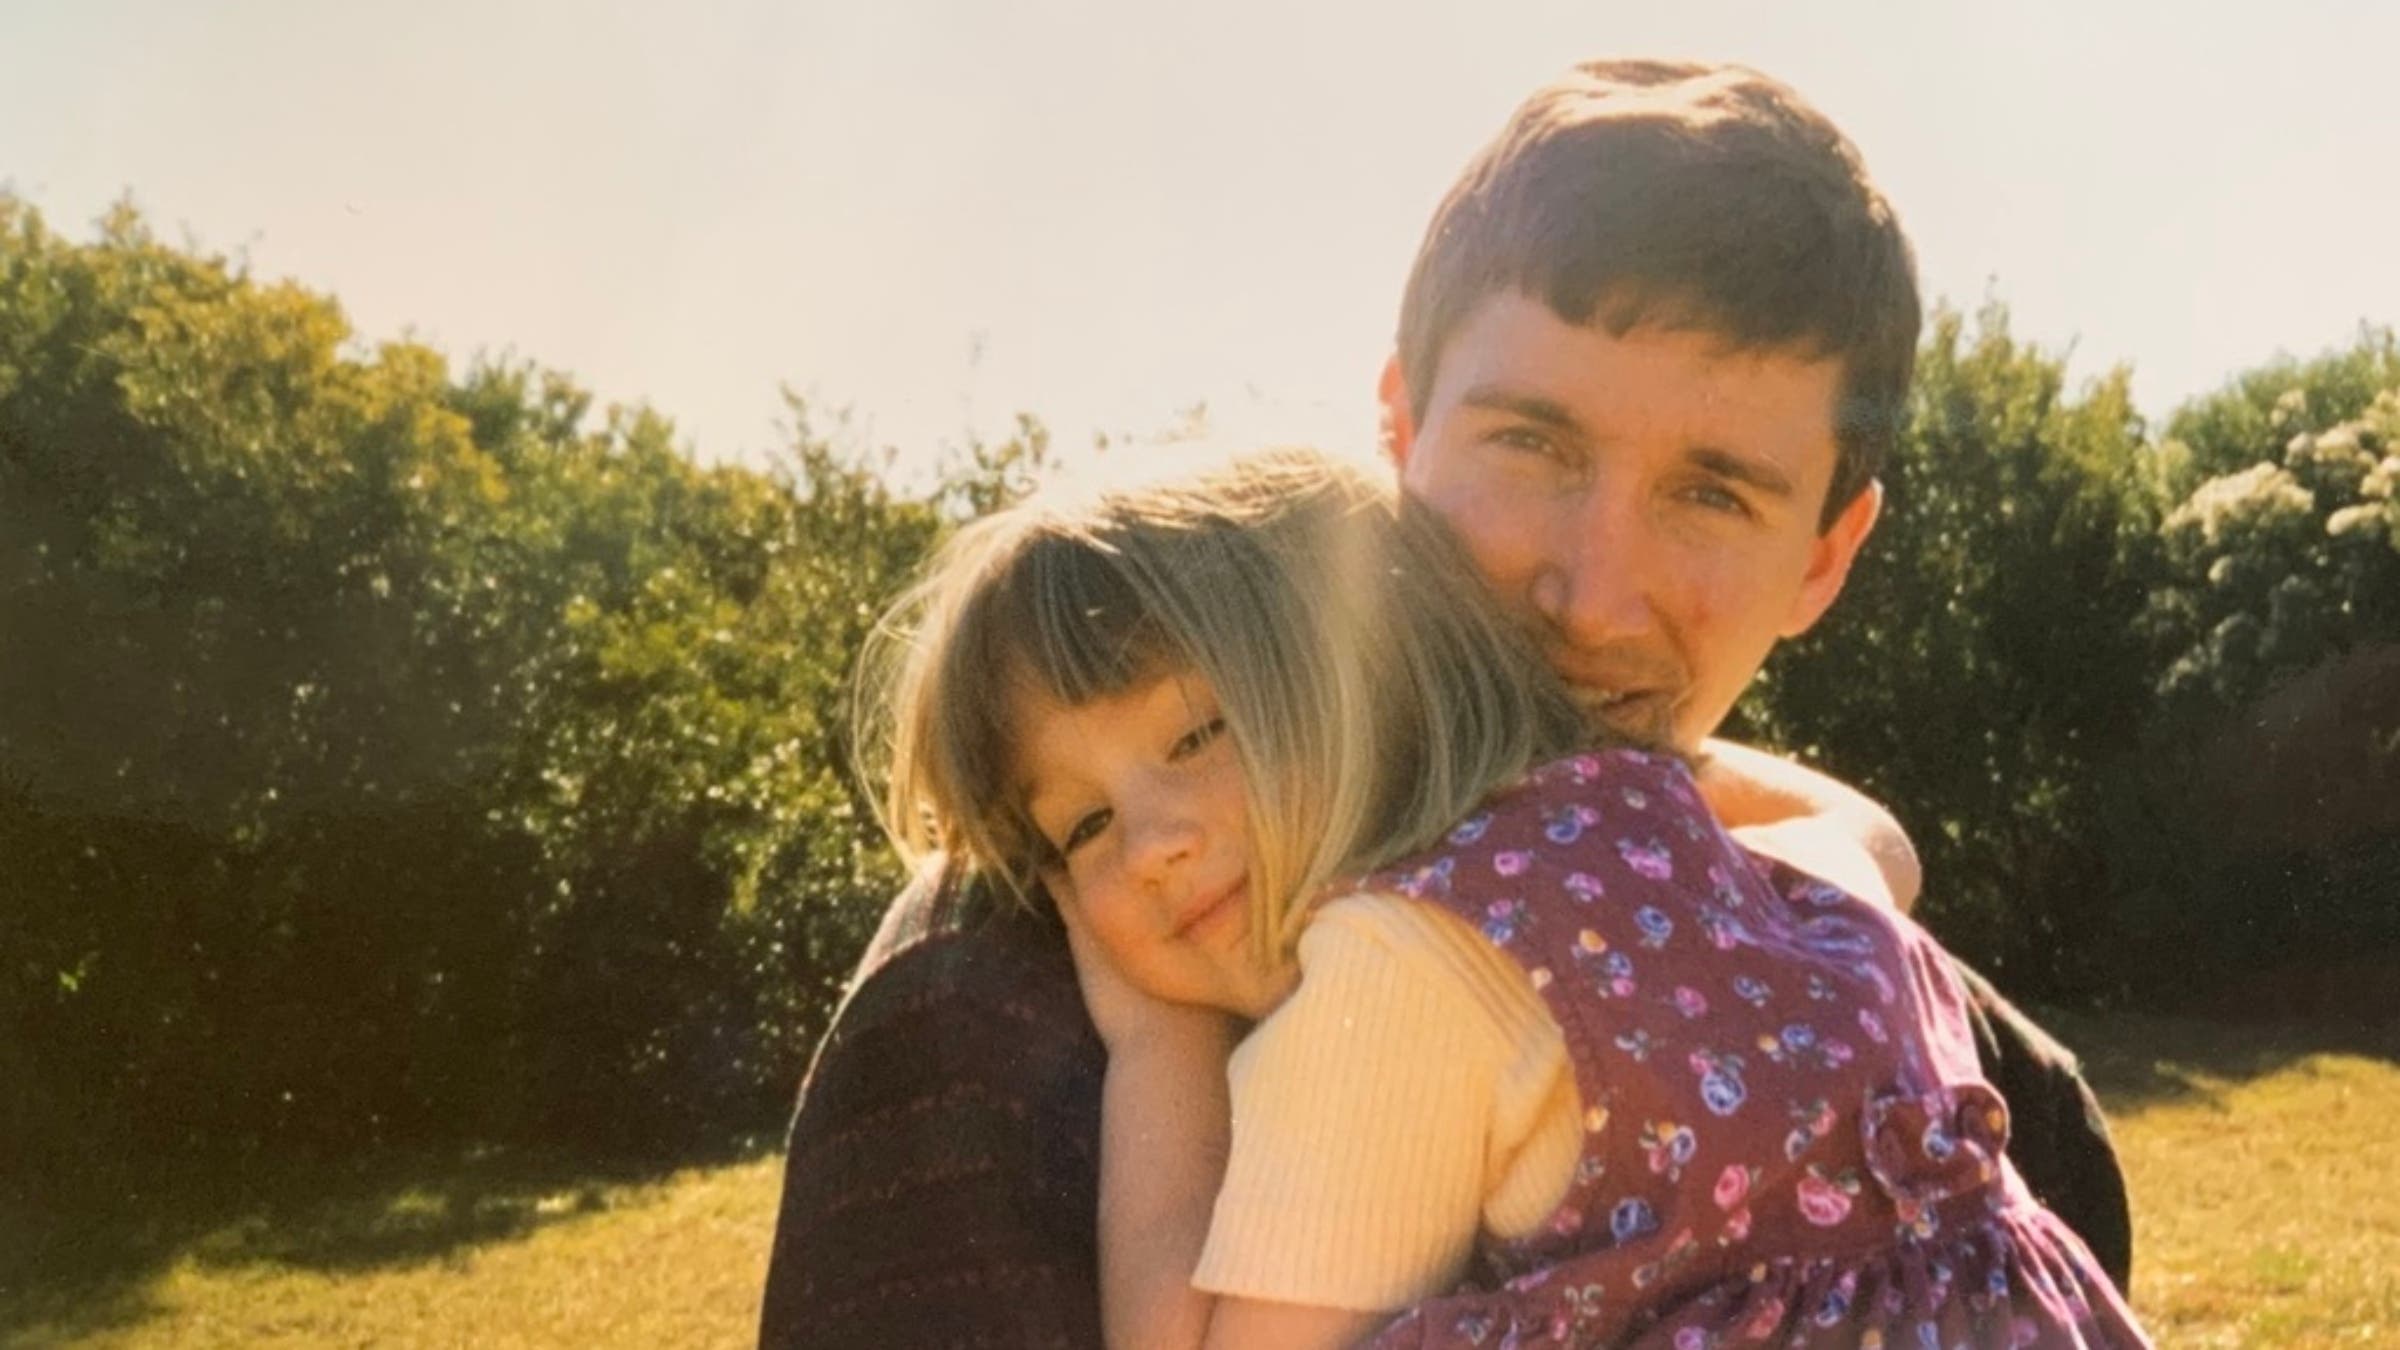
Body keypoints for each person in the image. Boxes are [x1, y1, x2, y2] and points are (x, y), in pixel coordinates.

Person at [758, 59, 2131, 1348]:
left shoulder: (2007, 1085)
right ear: (1400, 429)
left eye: (1713, 493)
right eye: (1531, 442)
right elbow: (1872, 843)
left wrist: (1162, 1040)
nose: (1593, 598)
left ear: (1826, 556)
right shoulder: (974, 1014)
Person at [859, 448, 2150, 1348]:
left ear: (1367, 674)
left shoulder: (1389, 974)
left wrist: (1157, 1043)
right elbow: (1882, 844)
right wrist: (1605, 752)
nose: (1148, 845)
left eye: (1199, 733)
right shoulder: (1655, 845)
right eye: (1080, 826)